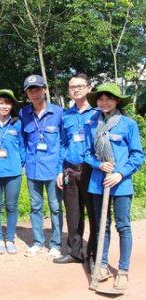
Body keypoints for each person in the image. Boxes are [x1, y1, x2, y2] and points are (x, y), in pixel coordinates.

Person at [84, 83, 144, 290]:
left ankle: (123, 270)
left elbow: (138, 156)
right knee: (102, 227)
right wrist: (98, 164)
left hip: (120, 185)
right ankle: (101, 265)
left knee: (123, 226)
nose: (104, 102)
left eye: (109, 98)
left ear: (117, 101)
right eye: (100, 98)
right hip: (98, 184)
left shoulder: (128, 124)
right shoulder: (92, 123)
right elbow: (87, 153)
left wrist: (119, 173)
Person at [54, 74, 98, 267]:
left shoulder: (98, 112)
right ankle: (74, 252)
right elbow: (62, 143)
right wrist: (60, 170)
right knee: (73, 214)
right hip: (70, 171)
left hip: (92, 171)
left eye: (80, 86)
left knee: (94, 214)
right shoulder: (66, 115)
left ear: (89, 88)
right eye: (72, 87)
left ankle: (94, 254)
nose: (76, 89)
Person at [19, 74, 63, 258]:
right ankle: (38, 242)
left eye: (37, 89)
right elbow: (22, 140)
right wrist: (24, 161)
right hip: (33, 168)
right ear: (27, 93)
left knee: (55, 207)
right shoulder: (24, 113)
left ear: (44, 89)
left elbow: (63, 143)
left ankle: (56, 243)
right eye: (30, 90)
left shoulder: (59, 113)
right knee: (35, 207)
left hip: (53, 169)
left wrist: (61, 169)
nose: (34, 93)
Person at [0, 89, 25, 255]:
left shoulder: (18, 124)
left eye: (7, 102)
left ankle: (10, 239)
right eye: (1, 102)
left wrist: (17, 163)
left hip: (13, 172)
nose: (4, 106)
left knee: (11, 207)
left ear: (12, 105)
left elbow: (23, 147)